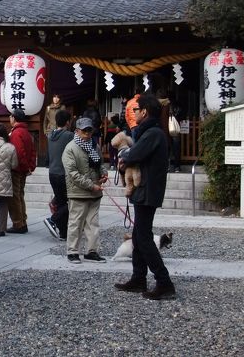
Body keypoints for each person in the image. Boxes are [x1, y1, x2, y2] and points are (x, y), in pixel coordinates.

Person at [115, 93, 175, 300]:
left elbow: (134, 154)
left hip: (148, 190)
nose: (133, 113)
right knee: (140, 235)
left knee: (143, 237)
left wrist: (123, 157)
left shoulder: (153, 133)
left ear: (145, 112)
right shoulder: (151, 132)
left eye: (136, 109)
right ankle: (138, 278)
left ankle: (164, 282)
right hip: (146, 189)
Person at [62, 117, 108, 264]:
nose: (88, 133)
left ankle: (92, 251)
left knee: (93, 223)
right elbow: (73, 174)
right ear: (77, 131)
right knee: (76, 222)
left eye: (89, 130)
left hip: (95, 191)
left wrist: (103, 174)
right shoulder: (70, 148)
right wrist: (91, 185)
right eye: (84, 131)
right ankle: (72, 251)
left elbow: (100, 163)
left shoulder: (94, 145)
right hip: (78, 192)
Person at [44, 110, 74, 240]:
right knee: (73, 201)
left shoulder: (51, 135)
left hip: (52, 173)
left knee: (61, 202)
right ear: (68, 122)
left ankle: (63, 233)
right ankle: (52, 220)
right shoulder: (69, 136)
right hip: (64, 174)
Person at [7, 109, 36, 234]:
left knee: (15, 197)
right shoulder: (26, 132)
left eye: (11, 117)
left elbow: (19, 153)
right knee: (20, 195)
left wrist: (25, 167)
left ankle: (18, 223)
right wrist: (30, 167)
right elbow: (33, 152)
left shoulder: (16, 133)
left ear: (14, 118)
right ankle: (22, 221)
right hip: (23, 169)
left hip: (17, 169)